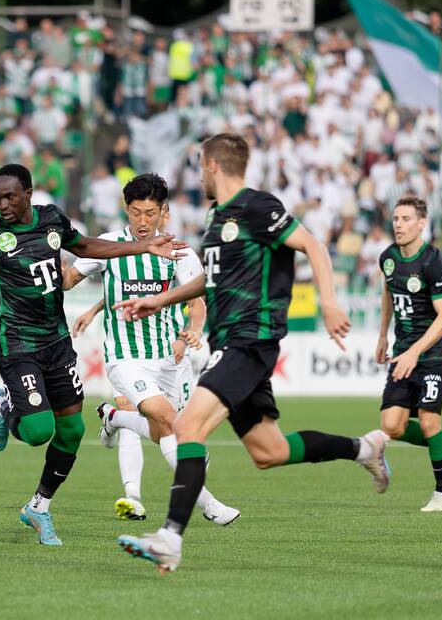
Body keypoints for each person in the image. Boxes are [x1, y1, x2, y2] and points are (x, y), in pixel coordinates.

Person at [112, 134, 388, 573]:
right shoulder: (216, 216)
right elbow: (212, 282)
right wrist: (160, 300)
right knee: (269, 452)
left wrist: (329, 302)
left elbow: (313, 246)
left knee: (187, 427)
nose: (199, 174)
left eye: (201, 166)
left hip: (250, 339)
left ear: (213, 166)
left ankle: (170, 538)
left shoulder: (258, 206)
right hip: (232, 342)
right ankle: (363, 449)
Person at [0, 163, 185, 546]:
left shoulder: (52, 220)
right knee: (38, 432)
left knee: (73, 430)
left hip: (56, 340)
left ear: (29, 193)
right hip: (17, 342)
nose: (2, 203)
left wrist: (141, 245)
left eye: (10, 196)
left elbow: (86, 247)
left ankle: (38, 507)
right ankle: (4, 407)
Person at [63, 173, 239, 526]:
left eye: (150, 213)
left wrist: (191, 331)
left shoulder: (179, 251)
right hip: (125, 359)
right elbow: (67, 280)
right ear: (125, 209)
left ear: (163, 212)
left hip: (169, 358)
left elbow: (196, 300)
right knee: (170, 422)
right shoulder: (108, 245)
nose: (142, 222)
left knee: (165, 433)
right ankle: (208, 504)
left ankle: (114, 418)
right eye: (135, 212)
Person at [376, 197, 442, 512]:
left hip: (433, 352)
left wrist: (416, 352)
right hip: (403, 351)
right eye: (395, 219)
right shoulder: (388, 258)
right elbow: (389, 293)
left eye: (405, 219)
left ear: (421, 224)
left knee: (429, 422)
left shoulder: (433, 261)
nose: (398, 224)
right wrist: (382, 336)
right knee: (392, 425)